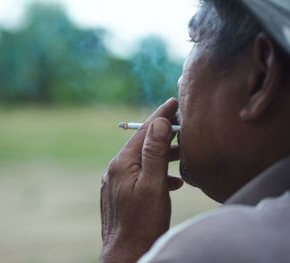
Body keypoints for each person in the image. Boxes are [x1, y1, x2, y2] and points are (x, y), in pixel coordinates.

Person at [100, 0, 290, 262]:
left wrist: (125, 245)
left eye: (195, 39)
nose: (179, 81)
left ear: (260, 77)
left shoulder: (213, 251)